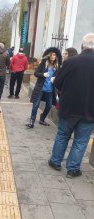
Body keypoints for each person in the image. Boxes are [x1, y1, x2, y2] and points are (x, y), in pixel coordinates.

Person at [48, 33, 94, 178]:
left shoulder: (71, 62)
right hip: (90, 111)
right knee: (81, 141)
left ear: (82, 46)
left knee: (62, 135)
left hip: (69, 108)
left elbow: (57, 82)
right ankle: (73, 169)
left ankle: (55, 161)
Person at [26, 47, 62, 128]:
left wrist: (55, 79)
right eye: (52, 55)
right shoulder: (43, 63)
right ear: (49, 56)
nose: (53, 57)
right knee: (36, 105)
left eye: (55, 55)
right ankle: (32, 121)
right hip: (40, 89)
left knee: (49, 106)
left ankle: (42, 119)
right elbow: (36, 73)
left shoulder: (57, 66)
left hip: (50, 90)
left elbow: (59, 76)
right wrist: (43, 74)